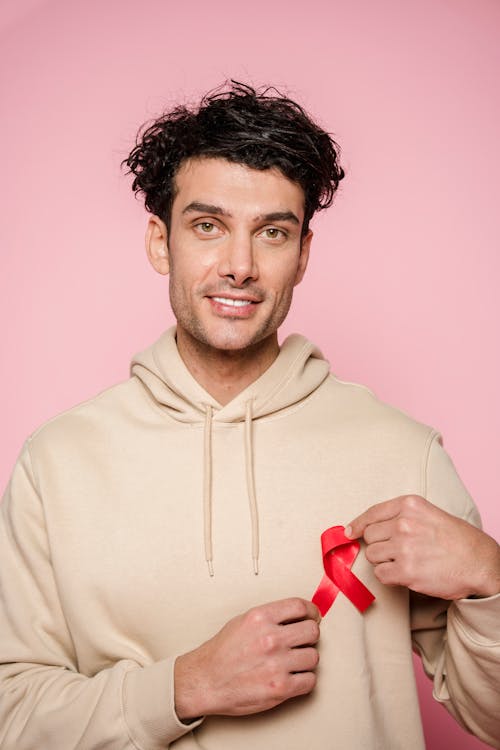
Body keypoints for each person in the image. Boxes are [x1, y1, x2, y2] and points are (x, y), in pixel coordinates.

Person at [0, 81, 499, 750]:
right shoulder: (55, 462)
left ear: (303, 256)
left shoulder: (405, 455)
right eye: (208, 226)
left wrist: (491, 579)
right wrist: (186, 686)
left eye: (272, 233)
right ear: (160, 242)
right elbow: (11, 718)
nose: (239, 266)